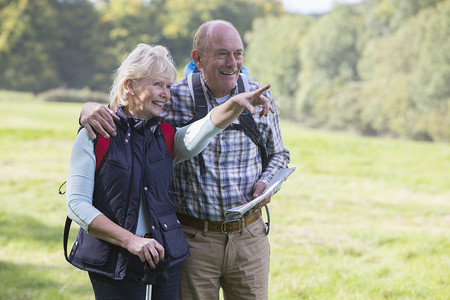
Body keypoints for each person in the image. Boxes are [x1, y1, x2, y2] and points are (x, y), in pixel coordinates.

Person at [66, 42, 273, 300]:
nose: (166, 94)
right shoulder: (97, 134)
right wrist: (131, 241)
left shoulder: (166, 135)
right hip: (114, 260)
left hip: (166, 257)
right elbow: (76, 204)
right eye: (157, 85)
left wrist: (234, 105)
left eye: (168, 86)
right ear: (130, 86)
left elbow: (204, 128)